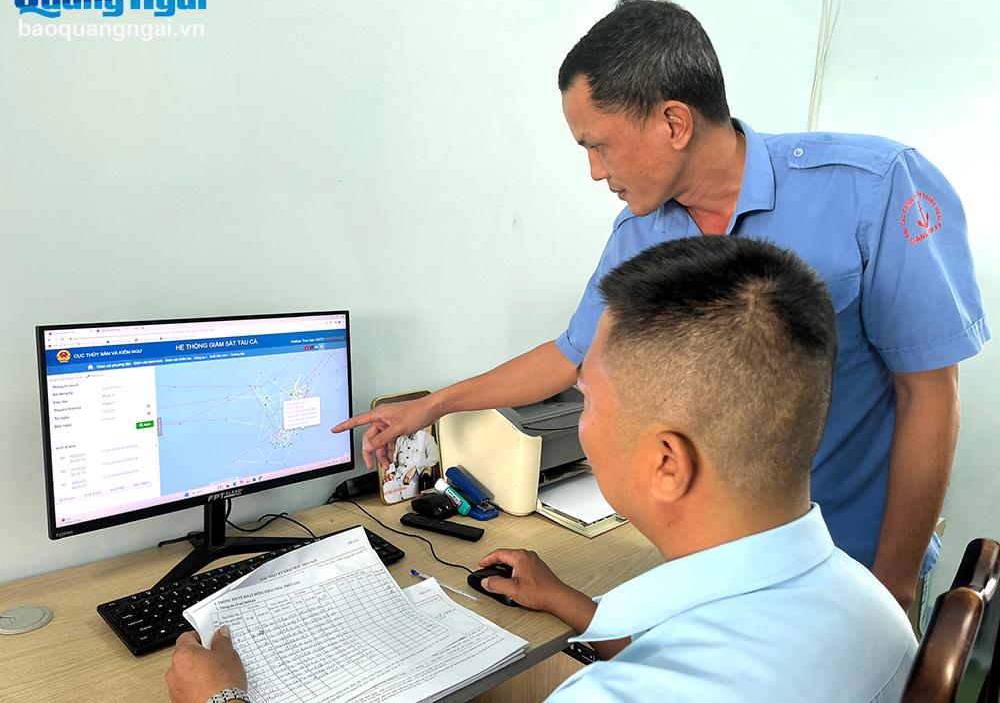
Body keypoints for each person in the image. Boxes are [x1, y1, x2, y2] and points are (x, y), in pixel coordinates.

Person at [334, 0, 989, 608]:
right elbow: (569, 355)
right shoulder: (639, 233)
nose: (595, 171)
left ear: (674, 122)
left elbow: (929, 393)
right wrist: (430, 405)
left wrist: (892, 584)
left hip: (851, 562)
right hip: (716, 566)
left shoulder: (873, 189)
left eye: (598, 144)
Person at [166, 237, 918, 702]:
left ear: (666, 463)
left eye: (589, 399)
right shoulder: (876, 610)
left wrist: (223, 702)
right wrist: (573, 606)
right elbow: (700, 651)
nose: (579, 420)